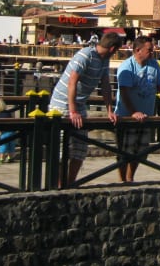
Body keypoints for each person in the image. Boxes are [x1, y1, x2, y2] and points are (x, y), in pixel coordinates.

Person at [49, 31, 121, 187]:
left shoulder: (104, 61)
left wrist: (110, 110)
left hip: (80, 103)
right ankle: (59, 185)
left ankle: (71, 183)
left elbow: (106, 86)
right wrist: (72, 111)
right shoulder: (86, 55)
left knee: (80, 149)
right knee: (62, 149)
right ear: (112, 48)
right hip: (62, 102)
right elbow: (72, 82)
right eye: (116, 51)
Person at [113, 36, 160, 184]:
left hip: (147, 115)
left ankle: (130, 177)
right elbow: (124, 92)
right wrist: (133, 112)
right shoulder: (127, 66)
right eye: (149, 50)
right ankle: (122, 181)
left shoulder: (153, 65)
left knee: (141, 151)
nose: (152, 52)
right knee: (124, 151)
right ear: (138, 50)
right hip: (127, 116)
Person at [0, 97, 16, 164]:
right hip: (12, 131)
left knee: (3, 145)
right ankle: (10, 157)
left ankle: (1, 158)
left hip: (4, 132)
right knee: (11, 145)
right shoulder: (8, 113)